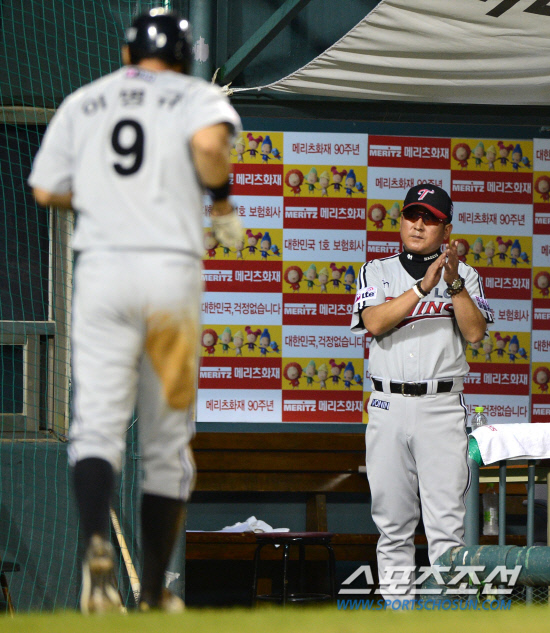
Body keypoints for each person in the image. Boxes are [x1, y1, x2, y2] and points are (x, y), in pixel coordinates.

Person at [29, 8, 242, 613]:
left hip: (101, 272)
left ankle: (95, 544)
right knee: (166, 440)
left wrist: (104, 194)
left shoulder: (85, 100)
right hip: (169, 276)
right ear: (182, 57)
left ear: (127, 54)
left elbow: (44, 189)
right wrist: (221, 202)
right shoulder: (196, 94)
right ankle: (151, 591)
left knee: (95, 426)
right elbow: (209, 146)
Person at [350, 184, 493, 603]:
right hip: (387, 403)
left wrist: (452, 284)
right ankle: (398, 618)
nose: (418, 224)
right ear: (401, 221)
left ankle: (446, 620)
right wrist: (420, 289)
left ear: (446, 230)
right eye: (412, 215)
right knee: (393, 525)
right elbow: (374, 323)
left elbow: (475, 332)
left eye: (430, 219)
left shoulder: (466, 276)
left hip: (440, 405)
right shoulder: (376, 271)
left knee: (446, 528)